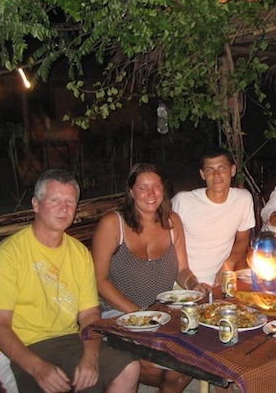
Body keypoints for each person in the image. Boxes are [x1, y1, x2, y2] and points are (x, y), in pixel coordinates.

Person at [0, 169, 140, 393]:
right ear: (36, 204)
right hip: (17, 348)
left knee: (128, 368)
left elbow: (90, 315)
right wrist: (38, 368)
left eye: (70, 202)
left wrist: (90, 357)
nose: (64, 209)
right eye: (55, 200)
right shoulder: (7, 255)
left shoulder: (79, 253)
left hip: (66, 341)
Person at [93, 163, 205, 392]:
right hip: (119, 313)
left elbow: (182, 270)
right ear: (131, 191)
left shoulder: (173, 222)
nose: (151, 194)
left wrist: (194, 283)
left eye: (156, 186)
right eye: (143, 187)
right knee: (153, 368)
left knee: (182, 368)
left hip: (160, 313)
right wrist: (139, 315)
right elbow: (99, 279)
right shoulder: (113, 224)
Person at [172, 148, 255, 285]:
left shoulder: (243, 199)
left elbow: (243, 239)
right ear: (202, 174)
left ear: (233, 170)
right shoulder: (183, 202)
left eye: (222, 168)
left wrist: (229, 263)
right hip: (184, 285)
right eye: (210, 170)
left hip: (219, 284)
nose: (216, 175)